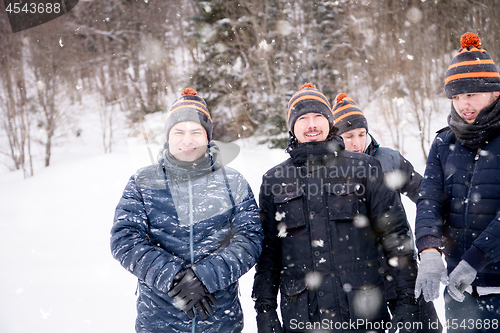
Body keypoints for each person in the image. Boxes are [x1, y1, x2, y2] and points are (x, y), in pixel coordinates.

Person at [252, 83, 419, 333]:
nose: (311, 124)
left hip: (363, 313)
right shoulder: (275, 180)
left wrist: (406, 299)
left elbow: (395, 236)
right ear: (292, 126)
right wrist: (265, 310)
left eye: (318, 116)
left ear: (330, 122)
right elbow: (269, 253)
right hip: (303, 318)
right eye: (303, 118)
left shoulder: (364, 168)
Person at [110, 88, 263, 333]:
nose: (187, 140)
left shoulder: (232, 182)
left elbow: (250, 238)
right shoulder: (143, 182)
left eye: (196, 132)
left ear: (207, 137)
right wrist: (175, 277)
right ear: (168, 137)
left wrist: (205, 276)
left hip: (220, 321)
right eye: (179, 132)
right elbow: (124, 240)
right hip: (159, 322)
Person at [332, 93, 442, 333]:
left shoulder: (389, 159)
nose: (357, 142)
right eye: (348, 136)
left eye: (361, 134)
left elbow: (425, 195)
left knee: (427, 328)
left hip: (403, 263)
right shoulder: (332, 169)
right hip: (364, 274)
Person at [414, 32, 500, 332]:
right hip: (459, 292)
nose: (464, 104)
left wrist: (477, 259)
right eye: (457, 96)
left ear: (495, 93)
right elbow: (430, 200)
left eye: (472, 94)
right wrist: (429, 251)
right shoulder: (443, 142)